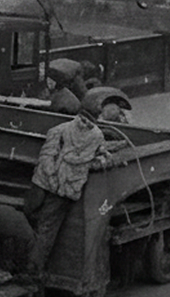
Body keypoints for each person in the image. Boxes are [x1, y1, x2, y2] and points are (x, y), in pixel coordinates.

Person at [22, 112, 124, 279]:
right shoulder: (60, 131)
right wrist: (54, 179)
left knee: (45, 229)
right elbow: (46, 157)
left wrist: (103, 156)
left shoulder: (96, 136)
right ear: (78, 116)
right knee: (34, 221)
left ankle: (33, 269)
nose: (85, 124)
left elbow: (98, 153)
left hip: (64, 191)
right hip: (45, 185)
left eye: (90, 122)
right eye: (83, 120)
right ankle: (32, 266)